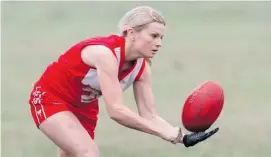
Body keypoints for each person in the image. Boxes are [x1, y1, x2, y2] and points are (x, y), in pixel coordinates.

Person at [28, 6, 219, 157]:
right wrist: (164, 134)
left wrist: (181, 137)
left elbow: (149, 116)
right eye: (153, 36)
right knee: (88, 153)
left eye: (161, 37)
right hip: (50, 98)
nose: (159, 43)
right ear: (131, 33)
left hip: (84, 108)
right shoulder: (105, 54)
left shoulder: (142, 68)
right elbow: (116, 111)